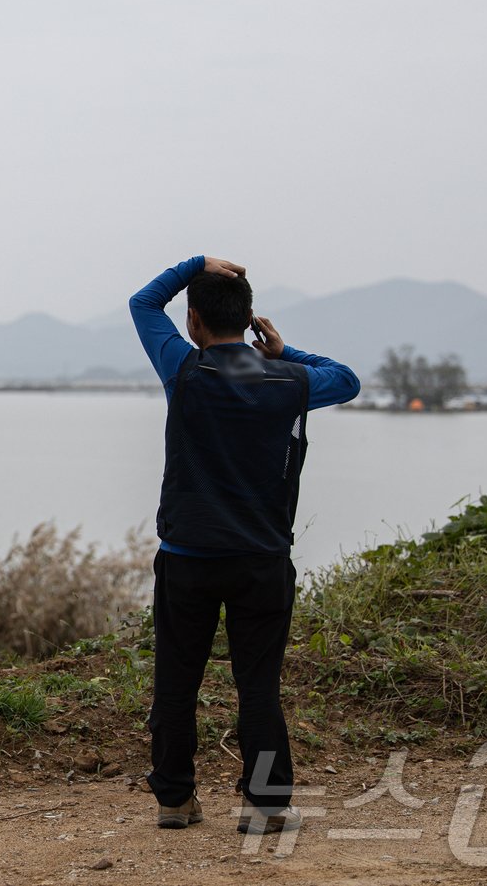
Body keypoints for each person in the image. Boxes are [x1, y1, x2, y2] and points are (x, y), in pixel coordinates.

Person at [129, 254, 360, 835]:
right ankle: (266, 805)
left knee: (177, 682)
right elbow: (348, 378)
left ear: (195, 323)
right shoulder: (292, 381)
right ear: (251, 320)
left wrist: (195, 264)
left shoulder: (183, 369)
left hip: (187, 562)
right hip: (261, 563)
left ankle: (175, 801)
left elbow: (141, 303)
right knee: (258, 686)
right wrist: (284, 353)